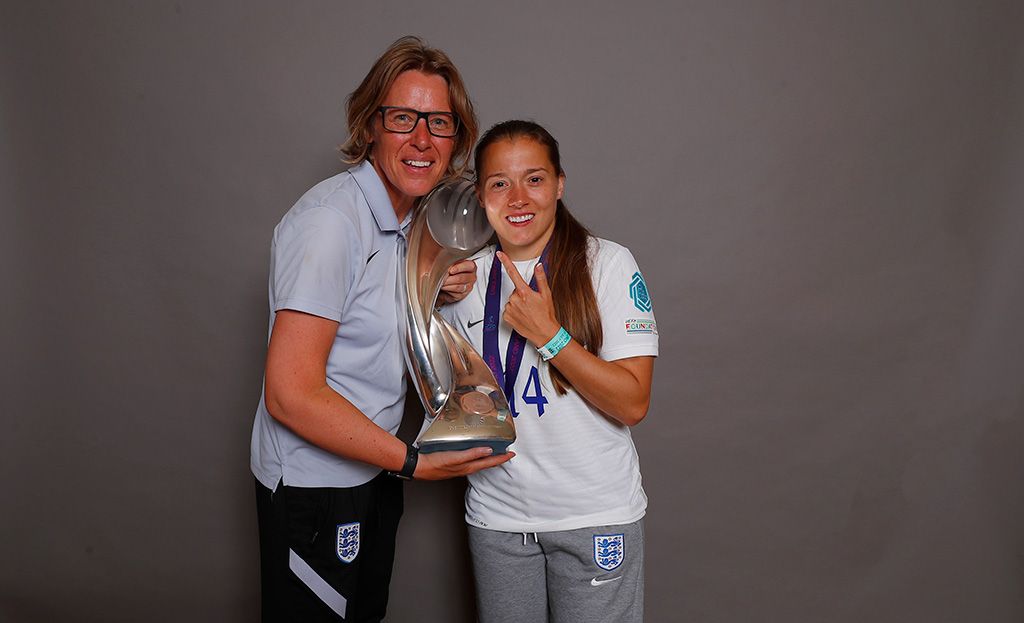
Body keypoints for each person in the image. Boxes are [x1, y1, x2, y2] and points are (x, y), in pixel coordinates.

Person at [249, 37, 514, 623]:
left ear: (456, 138)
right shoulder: (330, 225)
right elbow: (290, 391)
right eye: (402, 118)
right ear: (370, 125)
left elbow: (389, 330)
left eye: (439, 123)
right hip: (318, 488)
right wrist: (412, 463)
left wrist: (435, 287)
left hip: (373, 471)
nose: (422, 140)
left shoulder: (412, 222)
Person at [442, 120, 658, 622]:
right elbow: (444, 400)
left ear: (560, 184)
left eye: (534, 179)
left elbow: (632, 402)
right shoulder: (461, 279)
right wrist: (432, 293)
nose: (518, 197)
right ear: (480, 193)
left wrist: (550, 336)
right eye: (500, 183)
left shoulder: (606, 265)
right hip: (498, 522)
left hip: (594, 516)